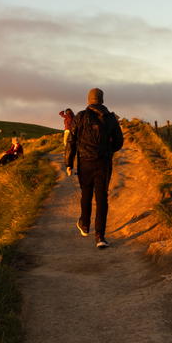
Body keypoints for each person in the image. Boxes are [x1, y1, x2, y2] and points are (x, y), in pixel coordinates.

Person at [66, 88, 123, 248]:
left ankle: (84, 225)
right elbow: (119, 142)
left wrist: (68, 163)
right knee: (102, 198)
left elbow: (71, 141)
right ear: (102, 100)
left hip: (85, 162)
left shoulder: (80, 116)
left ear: (88, 100)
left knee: (86, 193)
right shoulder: (111, 118)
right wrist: (107, 150)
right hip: (103, 163)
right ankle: (100, 237)